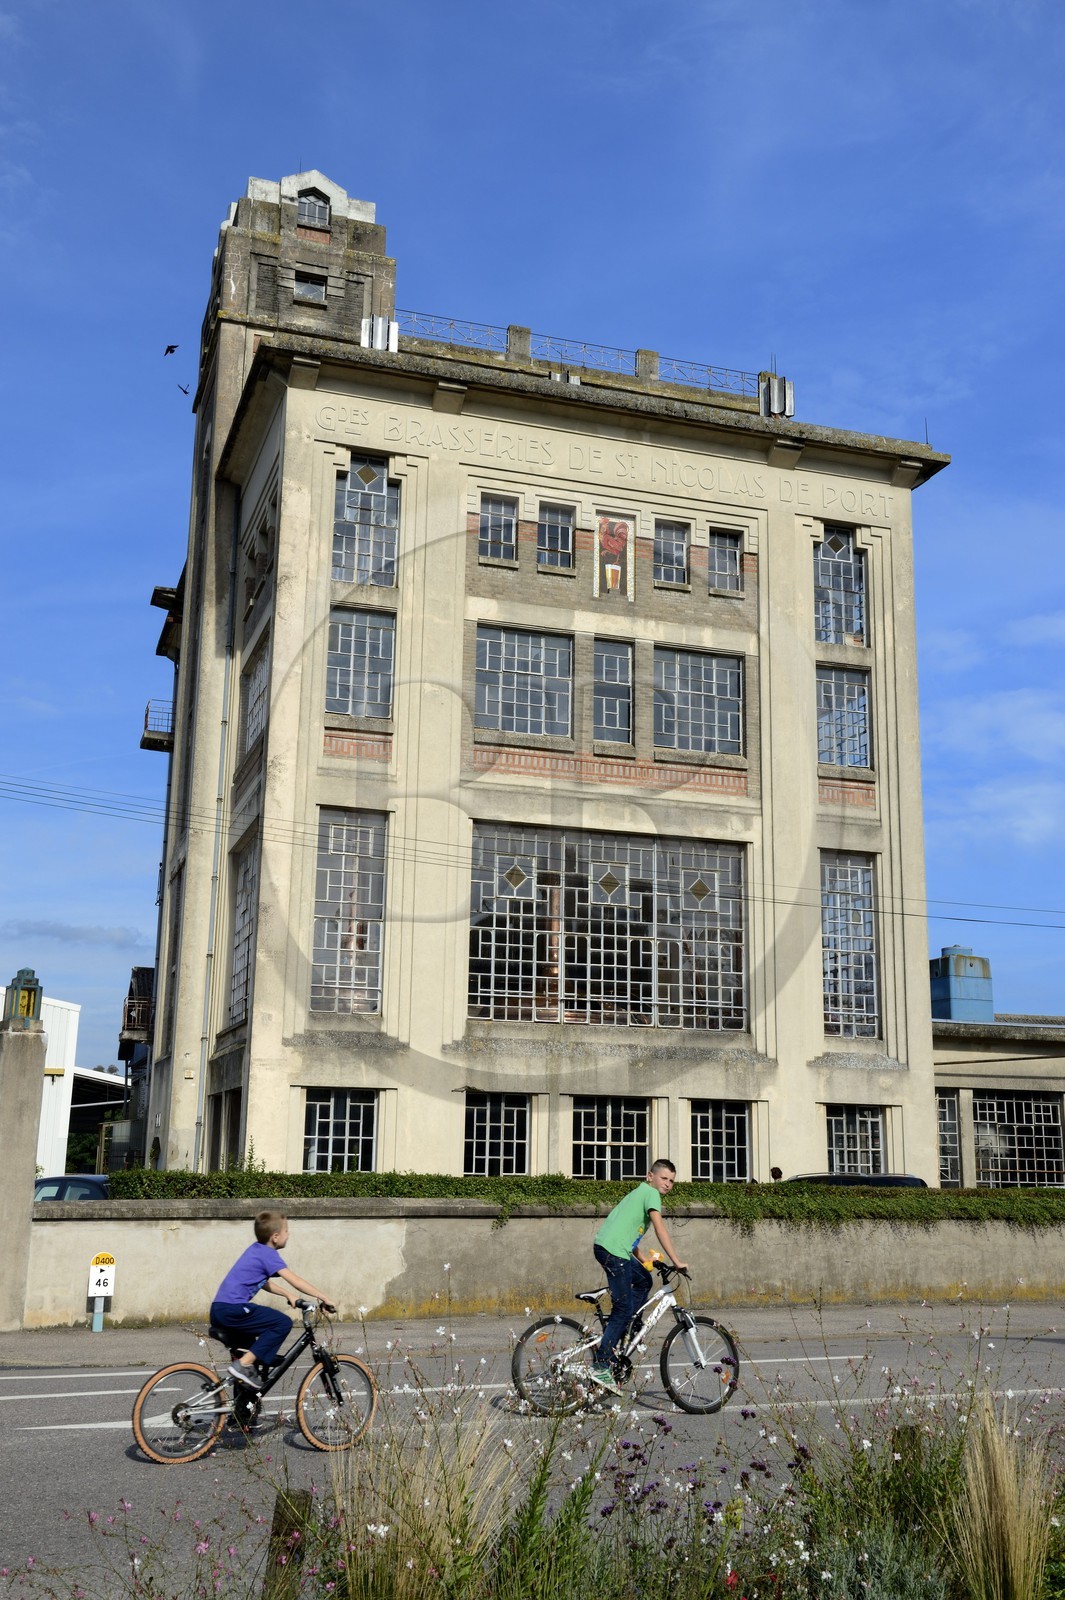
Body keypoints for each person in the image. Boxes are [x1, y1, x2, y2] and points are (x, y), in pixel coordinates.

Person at [591, 1160, 688, 1393]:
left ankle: (629, 1327)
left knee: (644, 1279)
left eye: (672, 1181)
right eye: (664, 1178)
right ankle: (601, 1366)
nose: (668, 1184)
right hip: (613, 1252)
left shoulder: (639, 1193)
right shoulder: (651, 1194)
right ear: (650, 1176)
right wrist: (676, 1261)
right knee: (623, 1308)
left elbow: (627, 1235)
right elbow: (660, 1228)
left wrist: (644, 1260)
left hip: (611, 1248)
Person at [210, 1210, 336, 1389]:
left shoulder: (256, 1249)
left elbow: (261, 1282)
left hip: (221, 1309)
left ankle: (242, 1410)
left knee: (251, 1357)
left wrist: (287, 1294)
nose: (289, 1234)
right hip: (234, 1309)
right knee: (282, 1323)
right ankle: (243, 1364)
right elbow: (295, 1280)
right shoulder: (268, 1255)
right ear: (275, 1237)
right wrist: (324, 1297)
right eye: (286, 1231)